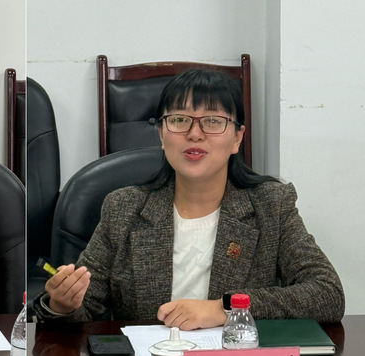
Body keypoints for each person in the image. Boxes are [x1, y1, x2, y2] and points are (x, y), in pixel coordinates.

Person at [34, 69, 345, 329]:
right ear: (161, 133)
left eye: (213, 121)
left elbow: (327, 294)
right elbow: (83, 308)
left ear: (237, 138)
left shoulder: (270, 205)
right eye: (180, 120)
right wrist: (62, 303)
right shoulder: (124, 208)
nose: (195, 134)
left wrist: (223, 309)